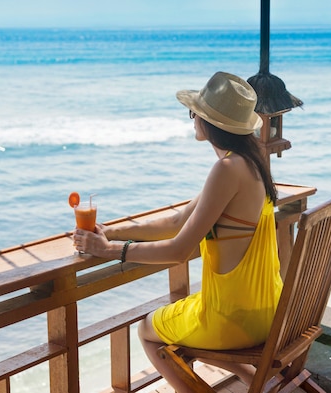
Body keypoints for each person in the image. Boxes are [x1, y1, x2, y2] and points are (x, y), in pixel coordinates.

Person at [73, 71, 283, 391]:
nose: (192, 120)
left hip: (234, 320)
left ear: (210, 122)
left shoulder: (226, 169)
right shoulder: (253, 162)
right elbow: (176, 221)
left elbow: (179, 250)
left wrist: (108, 251)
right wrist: (112, 232)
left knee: (147, 330)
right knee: (183, 323)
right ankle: (255, 379)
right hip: (272, 309)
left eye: (194, 113)